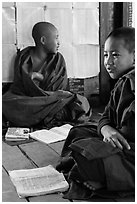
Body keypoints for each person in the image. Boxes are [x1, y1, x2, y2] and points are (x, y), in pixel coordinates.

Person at [56, 27, 135, 200]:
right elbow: (106, 116)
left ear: (135, 55)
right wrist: (107, 129)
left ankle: (106, 178)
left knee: (89, 153)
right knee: (78, 131)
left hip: (130, 149)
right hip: (117, 138)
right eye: (106, 55)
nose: (108, 61)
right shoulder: (122, 83)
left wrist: (113, 136)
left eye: (115, 55)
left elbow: (129, 136)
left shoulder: (132, 83)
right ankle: (97, 173)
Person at [2, 22, 91, 129]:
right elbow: (18, 87)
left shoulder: (58, 59)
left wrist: (39, 77)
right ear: (43, 40)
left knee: (80, 103)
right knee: (5, 101)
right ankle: (44, 116)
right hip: (29, 99)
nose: (59, 43)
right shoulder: (24, 56)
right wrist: (30, 83)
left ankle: (33, 117)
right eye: (56, 38)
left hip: (51, 99)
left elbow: (58, 91)